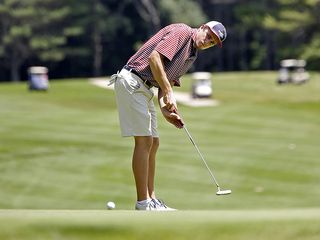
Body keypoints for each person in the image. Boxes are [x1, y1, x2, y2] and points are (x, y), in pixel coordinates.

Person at [109, 21, 227, 211]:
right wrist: (167, 90)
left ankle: (151, 199)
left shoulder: (191, 55)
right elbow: (154, 59)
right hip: (132, 81)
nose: (207, 41)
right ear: (203, 27)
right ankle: (143, 203)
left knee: (154, 142)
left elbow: (165, 81)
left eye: (212, 42)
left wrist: (167, 111)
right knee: (144, 141)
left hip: (146, 88)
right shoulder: (182, 32)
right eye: (208, 35)